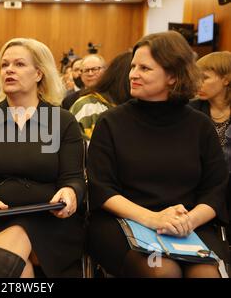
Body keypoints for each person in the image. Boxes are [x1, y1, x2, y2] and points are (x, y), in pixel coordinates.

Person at [87, 31, 229, 278]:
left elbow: (216, 189)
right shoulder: (111, 122)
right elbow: (102, 189)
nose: (133, 74)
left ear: (173, 76)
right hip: (123, 221)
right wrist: (153, 219)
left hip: (188, 225)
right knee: (162, 271)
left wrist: (190, 221)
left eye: (145, 68)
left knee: (205, 274)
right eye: (133, 66)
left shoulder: (200, 125)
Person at [0, 38, 86, 278]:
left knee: (4, 261)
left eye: (19, 64)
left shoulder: (62, 121)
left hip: (49, 221)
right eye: (4, 65)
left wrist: (70, 193)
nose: (9, 70)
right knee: (14, 263)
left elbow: (74, 178)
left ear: (38, 74)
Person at [190, 51, 231, 239]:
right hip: (199, 190)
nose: (198, 83)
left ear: (226, 80)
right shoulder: (190, 110)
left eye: (204, 78)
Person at [69, 52, 132, 142]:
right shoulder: (87, 106)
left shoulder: (126, 104)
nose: (90, 74)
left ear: (106, 71)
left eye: (95, 69)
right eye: (86, 70)